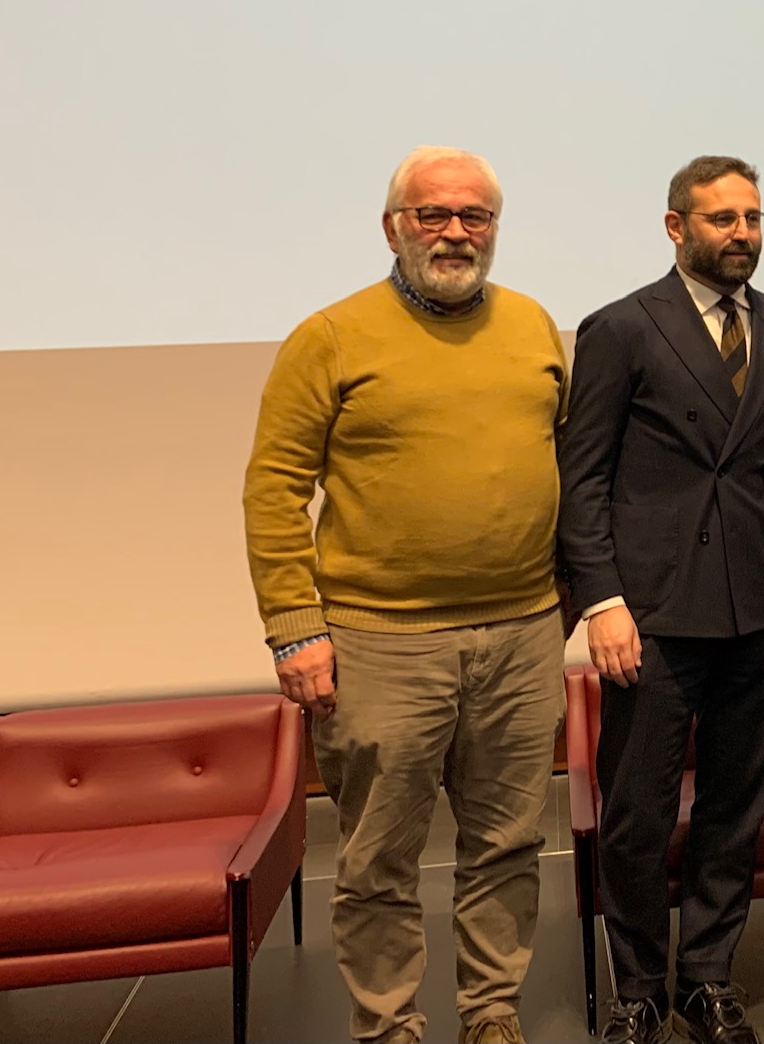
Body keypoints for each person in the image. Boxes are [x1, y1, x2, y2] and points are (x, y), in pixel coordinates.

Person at [243, 146, 569, 1044]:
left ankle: (491, 1013)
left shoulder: (537, 326)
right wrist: (293, 629)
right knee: (379, 857)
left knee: (507, 846)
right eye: (434, 215)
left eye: (475, 216)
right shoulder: (332, 336)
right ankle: (389, 1025)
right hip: (380, 641)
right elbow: (273, 487)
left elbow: (570, 470)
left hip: (525, 633)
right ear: (393, 226)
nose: (456, 232)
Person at [557, 156, 764, 1044]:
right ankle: (637, 986)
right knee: (635, 814)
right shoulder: (623, 327)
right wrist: (600, 601)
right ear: (676, 227)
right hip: (654, 615)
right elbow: (583, 479)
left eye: (753, 218)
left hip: (757, 607)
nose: (741, 234)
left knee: (733, 806)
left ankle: (708, 976)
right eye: (722, 220)